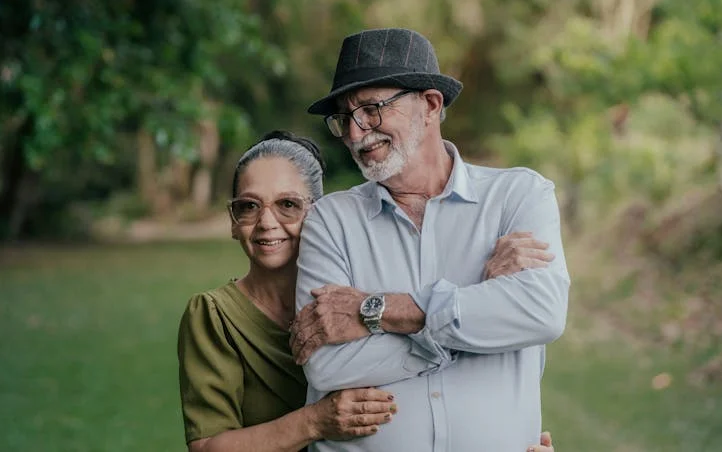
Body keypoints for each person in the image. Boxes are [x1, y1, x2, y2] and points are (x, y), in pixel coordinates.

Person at [292, 28, 570, 452]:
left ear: (430, 105)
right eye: (344, 118)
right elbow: (328, 366)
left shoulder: (519, 196)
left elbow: (541, 314)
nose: (354, 132)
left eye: (371, 109)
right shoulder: (331, 221)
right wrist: (478, 303)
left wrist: (378, 310)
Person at [177, 131, 398, 452]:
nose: (266, 222)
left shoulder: (358, 299)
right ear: (233, 221)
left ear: (319, 213)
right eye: (249, 206)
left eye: (288, 204)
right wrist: (315, 421)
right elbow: (207, 447)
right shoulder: (215, 316)